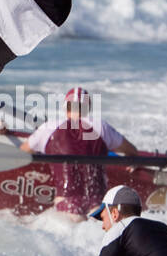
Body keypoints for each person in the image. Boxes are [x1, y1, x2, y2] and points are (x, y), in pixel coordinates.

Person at [20, 87, 138, 217]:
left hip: (66, 207)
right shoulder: (101, 127)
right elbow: (132, 151)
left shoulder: (48, 128)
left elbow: (21, 153)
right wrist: (132, 161)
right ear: (88, 108)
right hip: (98, 209)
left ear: (66, 108)